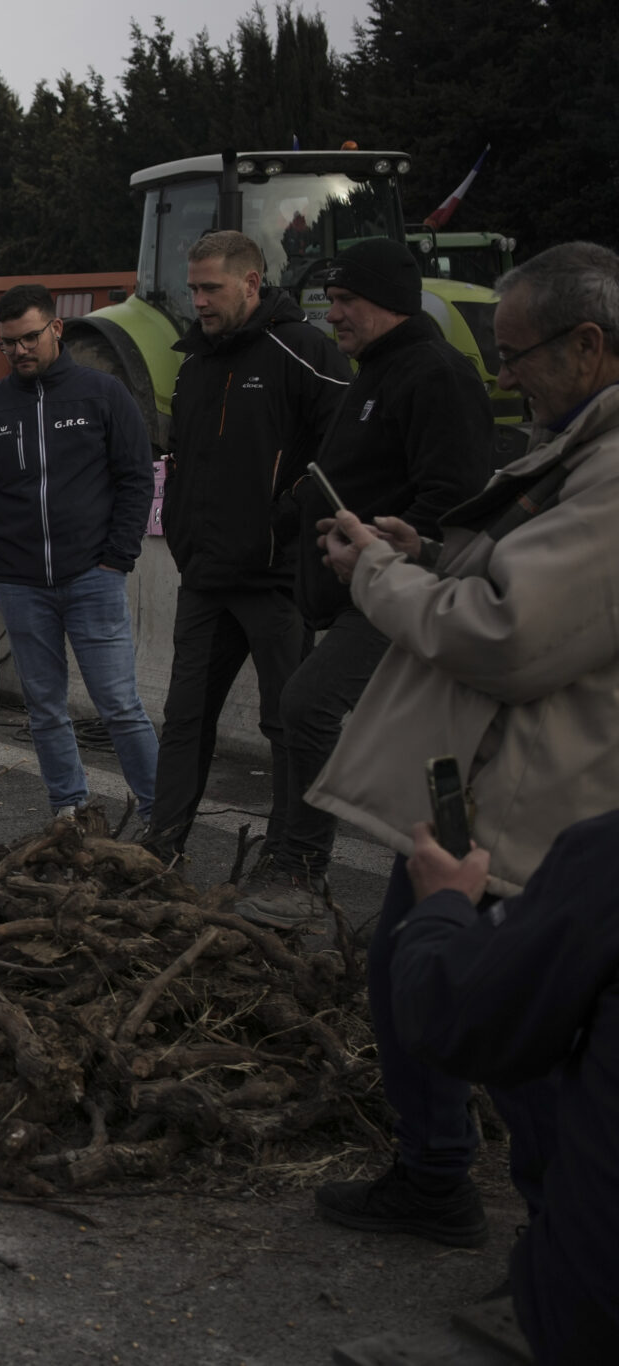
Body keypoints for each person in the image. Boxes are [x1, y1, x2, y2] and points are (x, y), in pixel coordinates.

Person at [304, 241, 619, 1249]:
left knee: (517, 1031)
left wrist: (375, 579)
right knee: (413, 972)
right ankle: (439, 1175)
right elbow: (526, 583)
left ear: (588, 344)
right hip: (488, 788)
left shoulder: (611, 473)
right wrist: (428, 553)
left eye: (516, 354)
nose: (502, 374)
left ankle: (563, 1252)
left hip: (541, 808)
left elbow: (510, 637)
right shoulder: (576, 446)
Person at [232, 237, 493, 929]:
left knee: (307, 703)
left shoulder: (435, 374)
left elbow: (457, 498)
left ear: (389, 303)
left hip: (406, 589)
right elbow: (350, 472)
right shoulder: (374, 372)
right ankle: (303, 860)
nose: (333, 315)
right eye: (331, 300)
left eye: (346, 301)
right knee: (312, 712)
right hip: (357, 587)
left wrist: (384, 548)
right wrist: (284, 517)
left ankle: (301, 869)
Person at [146, 232, 349, 860]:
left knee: (288, 726)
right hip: (205, 576)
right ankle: (162, 851)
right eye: (194, 289)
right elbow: (183, 463)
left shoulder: (307, 352)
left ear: (252, 283)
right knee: (183, 721)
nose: (198, 301)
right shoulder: (192, 363)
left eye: (211, 288)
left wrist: (284, 521)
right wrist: (183, 532)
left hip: (274, 578)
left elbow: (345, 457)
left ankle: (291, 861)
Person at [390, 814, 619, 1366]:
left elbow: (455, 1022)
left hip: (596, 1318)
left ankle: (453, 1182)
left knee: (540, 1007)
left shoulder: (604, 855)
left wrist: (441, 909)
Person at [0, 283, 157, 824]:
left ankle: (162, 814)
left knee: (119, 706)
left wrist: (118, 555)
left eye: (29, 338)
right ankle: (68, 809)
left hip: (95, 576)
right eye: (7, 343)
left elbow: (137, 479)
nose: (19, 351)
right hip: (20, 585)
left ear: (56, 329)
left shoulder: (103, 395)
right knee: (45, 709)